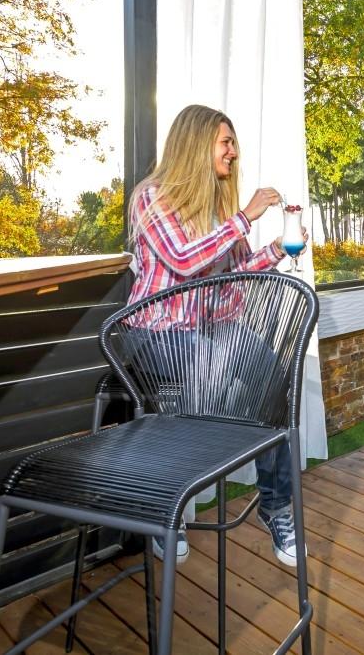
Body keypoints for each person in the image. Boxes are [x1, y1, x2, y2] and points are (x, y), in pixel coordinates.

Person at [126, 104, 300, 567]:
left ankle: (276, 505)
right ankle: (168, 505)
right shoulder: (153, 197)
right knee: (211, 374)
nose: (234, 152)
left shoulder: (219, 209)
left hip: (212, 330)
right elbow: (184, 262)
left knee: (274, 381)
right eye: (226, 142)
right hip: (156, 332)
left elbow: (235, 272)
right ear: (197, 143)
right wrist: (245, 216)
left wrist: (276, 249)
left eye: (233, 143)